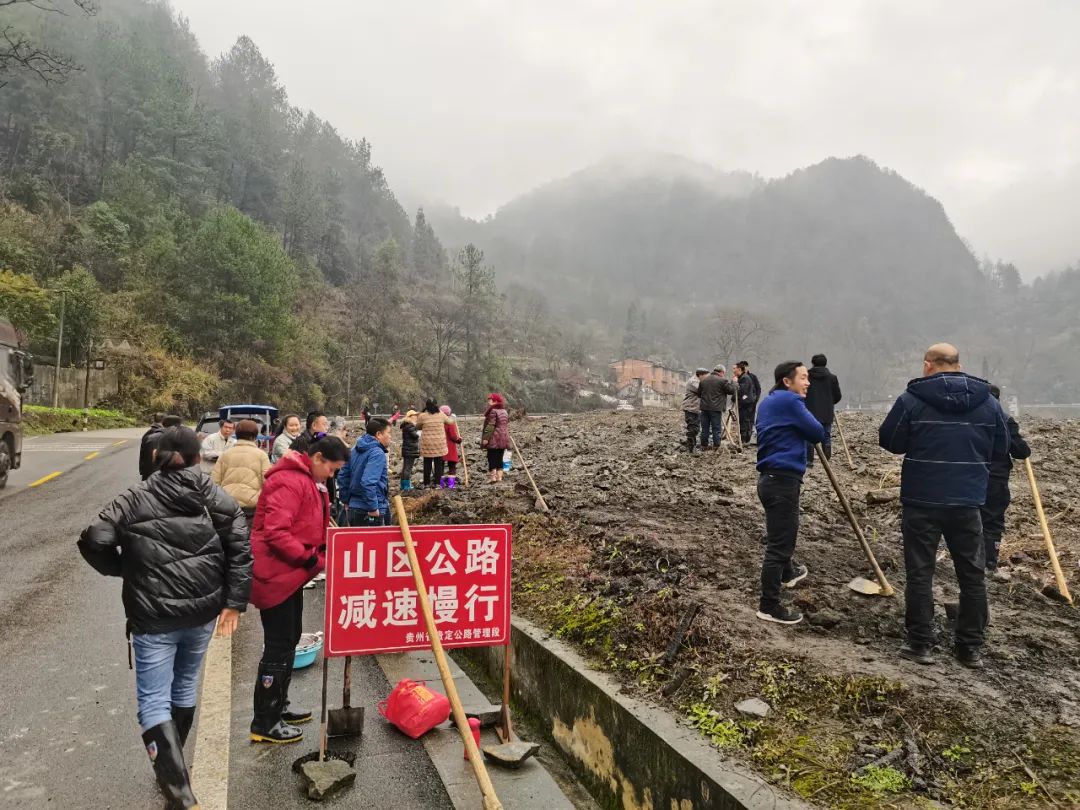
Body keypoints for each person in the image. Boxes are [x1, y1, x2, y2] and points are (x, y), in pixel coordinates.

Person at [78, 427, 251, 809]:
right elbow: (240, 543)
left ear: (156, 457)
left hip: (153, 617)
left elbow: (93, 539)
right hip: (204, 612)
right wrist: (234, 601)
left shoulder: (135, 497)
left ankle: (179, 791)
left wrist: (124, 568)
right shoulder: (212, 494)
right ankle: (174, 771)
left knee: (154, 702)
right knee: (185, 684)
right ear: (195, 458)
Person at [879, 343, 1009, 669]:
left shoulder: (911, 400)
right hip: (968, 501)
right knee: (972, 575)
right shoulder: (989, 404)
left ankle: (920, 644)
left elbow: (890, 441)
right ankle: (970, 649)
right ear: (957, 364)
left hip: (921, 500)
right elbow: (1001, 448)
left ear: (928, 365)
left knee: (920, 573)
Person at [248, 435, 348, 744]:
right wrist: (309, 558)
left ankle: (279, 706)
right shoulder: (290, 481)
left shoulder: (308, 481)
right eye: (332, 469)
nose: (331, 476)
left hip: (291, 576)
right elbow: (276, 533)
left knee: (290, 639)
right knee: (278, 646)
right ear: (317, 458)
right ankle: (265, 722)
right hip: (276, 575)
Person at [754, 361, 826, 625]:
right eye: (804, 378)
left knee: (779, 536)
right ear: (787, 381)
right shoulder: (790, 402)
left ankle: (788, 573)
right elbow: (817, 432)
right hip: (782, 482)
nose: (808, 383)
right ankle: (768, 606)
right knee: (779, 547)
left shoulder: (769, 402)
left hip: (770, 480)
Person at [981, 386, 1031, 575]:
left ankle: (968, 560)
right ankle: (989, 564)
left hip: (968, 477)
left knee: (969, 519)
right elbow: (1021, 451)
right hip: (995, 479)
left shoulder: (968, 419)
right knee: (992, 521)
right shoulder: (1004, 420)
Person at [212, 419, 271, 520]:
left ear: (236, 433)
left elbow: (214, 482)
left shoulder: (225, 455)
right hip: (253, 506)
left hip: (228, 504)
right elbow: (268, 483)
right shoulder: (262, 455)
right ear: (255, 436)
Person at [338, 417, 391, 526]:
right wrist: (373, 507)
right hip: (370, 512)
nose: (390, 437)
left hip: (354, 508)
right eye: (388, 433)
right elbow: (367, 482)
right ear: (379, 434)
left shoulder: (354, 449)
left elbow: (343, 476)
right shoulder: (377, 453)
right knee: (376, 543)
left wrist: (346, 501)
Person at [803, 354, 842, 466]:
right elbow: (838, 396)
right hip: (827, 411)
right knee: (826, 435)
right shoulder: (832, 378)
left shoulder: (807, 377)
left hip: (810, 410)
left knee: (809, 435)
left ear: (813, 363)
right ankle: (826, 460)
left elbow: (801, 393)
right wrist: (830, 403)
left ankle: (809, 460)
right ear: (825, 363)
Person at [697, 365, 737, 450]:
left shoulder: (704, 380)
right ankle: (716, 446)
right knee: (716, 428)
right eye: (724, 373)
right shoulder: (723, 381)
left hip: (704, 408)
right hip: (716, 409)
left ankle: (704, 446)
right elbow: (731, 391)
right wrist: (734, 382)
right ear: (722, 372)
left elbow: (699, 394)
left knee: (704, 428)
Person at [415, 399, 449, 488]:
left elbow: (417, 426)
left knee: (427, 464)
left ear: (426, 406)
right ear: (436, 405)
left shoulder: (422, 416)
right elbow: (449, 421)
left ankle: (426, 484)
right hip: (439, 443)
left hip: (427, 444)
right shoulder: (441, 414)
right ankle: (438, 484)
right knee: (438, 464)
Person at [481, 393, 510, 483]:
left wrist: (485, 438)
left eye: (490, 400)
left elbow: (491, 425)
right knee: (500, 457)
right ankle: (499, 477)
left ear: (495, 401)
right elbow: (505, 425)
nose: (488, 401)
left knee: (491, 456)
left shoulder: (493, 411)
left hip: (494, 437)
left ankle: (493, 477)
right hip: (504, 437)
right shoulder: (504, 411)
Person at [681, 368, 708, 453]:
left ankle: (692, 445)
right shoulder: (693, 382)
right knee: (692, 428)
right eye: (705, 376)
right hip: (690, 408)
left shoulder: (698, 381)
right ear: (700, 375)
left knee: (696, 428)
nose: (706, 378)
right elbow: (702, 391)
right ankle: (691, 447)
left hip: (696, 409)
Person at [733, 363, 758, 445]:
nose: (733, 371)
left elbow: (741, 391)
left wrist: (735, 383)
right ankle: (744, 440)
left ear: (739, 369)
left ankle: (744, 440)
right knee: (744, 421)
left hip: (746, 404)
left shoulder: (745, 378)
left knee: (744, 421)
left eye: (734, 369)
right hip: (745, 403)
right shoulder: (742, 378)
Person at [440, 404, 463, 487]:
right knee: (452, 467)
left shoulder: (438, 422)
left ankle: (441, 485)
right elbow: (453, 436)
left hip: (440, 447)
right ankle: (451, 485)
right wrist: (459, 439)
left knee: (440, 467)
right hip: (449, 448)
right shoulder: (450, 422)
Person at [139, 413, 166, 480]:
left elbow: (142, 454)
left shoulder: (147, 434)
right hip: (159, 472)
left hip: (147, 472)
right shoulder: (164, 434)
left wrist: (142, 470)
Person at [399, 410, 420, 491]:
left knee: (405, 468)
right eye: (414, 415)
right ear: (410, 417)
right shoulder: (410, 426)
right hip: (410, 449)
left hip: (407, 449)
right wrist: (419, 432)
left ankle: (403, 485)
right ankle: (407, 486)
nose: (416, 417)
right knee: (408, 468)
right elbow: (415, 436)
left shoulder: (406, 425)